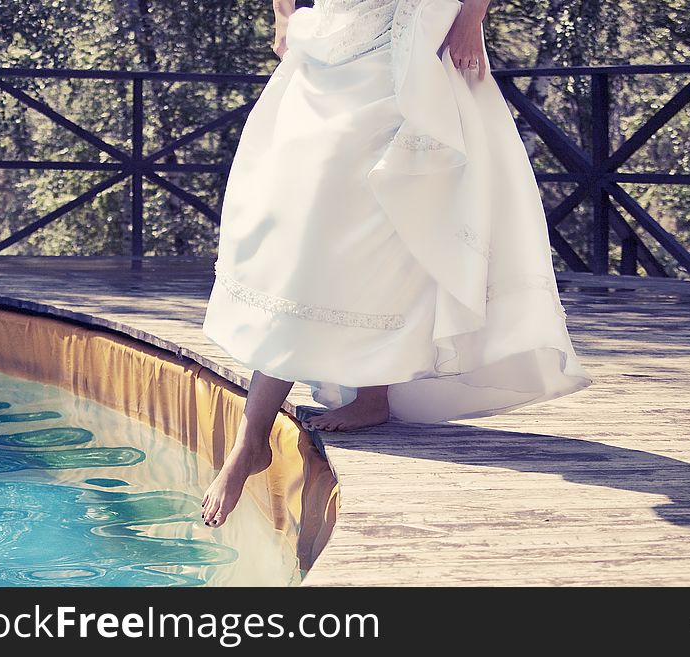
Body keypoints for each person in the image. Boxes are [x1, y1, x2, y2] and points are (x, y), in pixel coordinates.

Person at [201, 0, 593, 527]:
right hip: (334, 48)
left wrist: (471, 19)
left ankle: (362, 400)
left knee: (397, 223)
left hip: (412, 46)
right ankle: (254, 437)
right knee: (303, 234)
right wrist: (283, 18)